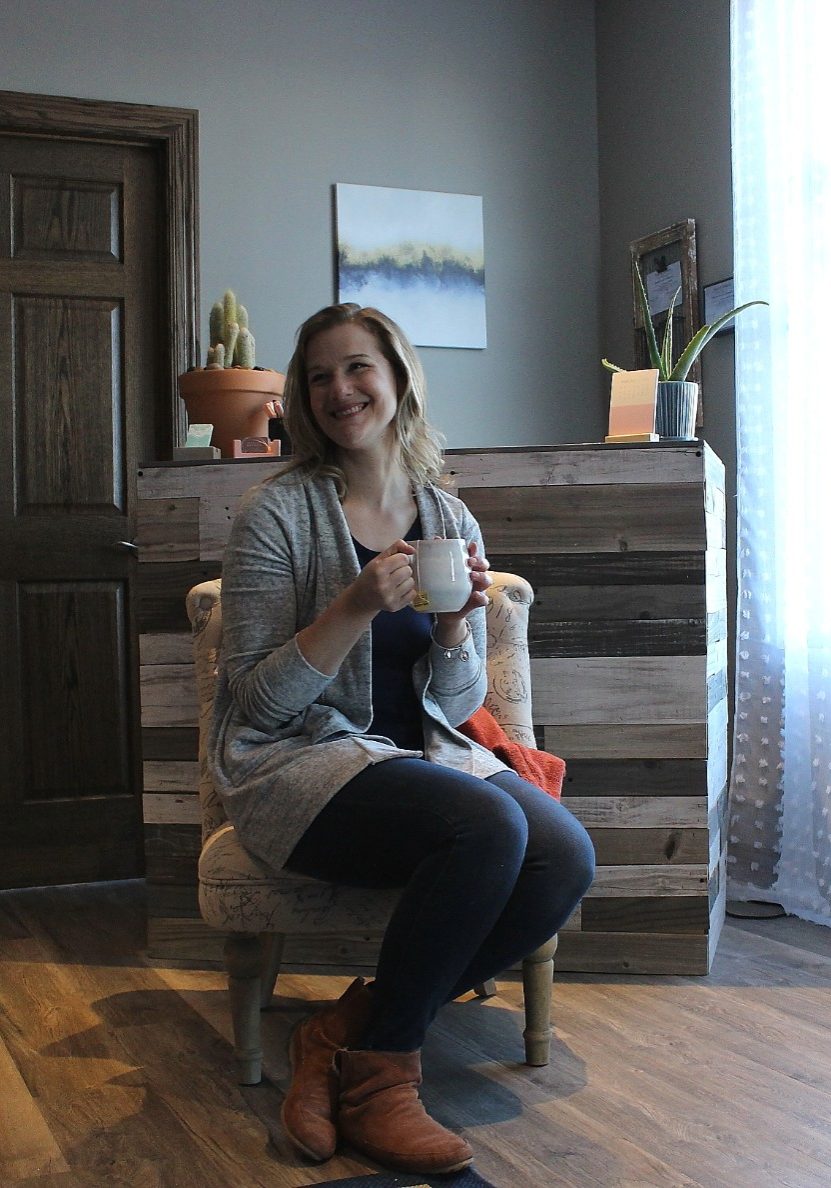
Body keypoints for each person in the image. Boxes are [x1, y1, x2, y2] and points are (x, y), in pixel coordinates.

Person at [208, 302, 595, 1176]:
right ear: (304, 400)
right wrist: (353, 605)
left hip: (419, 761)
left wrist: (457, 632)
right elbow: (254, 704)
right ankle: (385, 1083)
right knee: (488, 826)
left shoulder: (449, 521)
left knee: (564, 855)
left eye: (358, 368)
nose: (340, 390)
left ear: (396, 378)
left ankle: (343, 1038)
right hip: (297, 764)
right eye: (319, 376)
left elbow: (455, 708)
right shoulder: (275, 516)